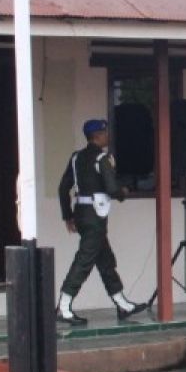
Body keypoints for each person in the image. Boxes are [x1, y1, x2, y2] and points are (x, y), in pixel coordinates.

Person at [56, 118, 146, 325]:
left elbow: (63, 188)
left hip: (81, 213)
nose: (107, 136)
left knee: (104, 259)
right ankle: (64, 307)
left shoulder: (76, 157)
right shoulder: (102, 158)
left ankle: (122, 304)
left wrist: (67, 216)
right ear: (97, 135)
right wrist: (123, 192)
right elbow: (112, 189)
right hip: (95, 216)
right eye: (105, 133)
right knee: (85, 260)